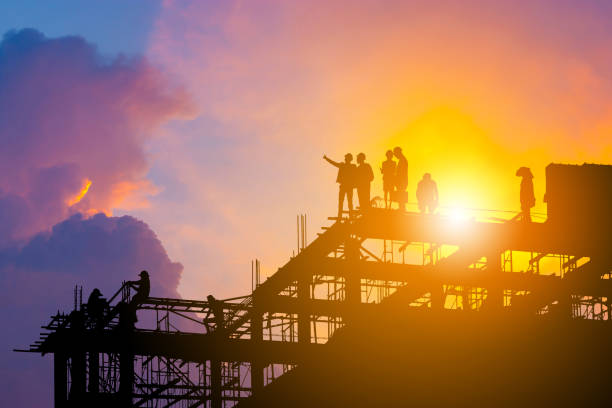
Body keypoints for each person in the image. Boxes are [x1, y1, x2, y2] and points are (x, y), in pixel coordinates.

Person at [323, 153, 357, 218]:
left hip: (347, 186)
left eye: (346, 158)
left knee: (348, 202)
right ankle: (342, 216)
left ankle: (349, 216)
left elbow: (358, 174)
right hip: (345, 186)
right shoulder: (344, 165)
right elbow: (334, 163)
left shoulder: (352, 166)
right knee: (343, 202)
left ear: (348, 159)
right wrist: (326, 158)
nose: (345, 159)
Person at [393, 147, 408, 211]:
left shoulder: (403, 160)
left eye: (395, 154)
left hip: (402, 181)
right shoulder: (402, 160)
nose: (395, 156)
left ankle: (402, 208)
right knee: (400, 193)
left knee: (401, 193)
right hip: (401, 180)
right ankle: (402, 207)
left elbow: (401, 172)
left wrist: (397, 179)